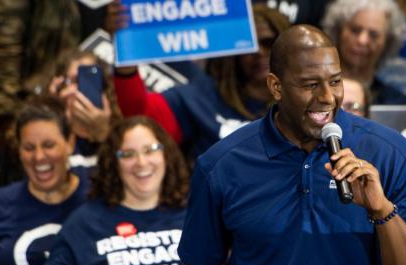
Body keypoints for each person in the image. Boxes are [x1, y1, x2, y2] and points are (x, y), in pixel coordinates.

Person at [178, 25, 406, 265]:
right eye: (310, 84)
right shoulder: (221, 166)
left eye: (335, 81)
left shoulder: (391, 153)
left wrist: (381, 209)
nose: (327, 97)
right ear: (276, 87)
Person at [37, 116, 189, 265]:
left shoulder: (193, 212)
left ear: (166, 155)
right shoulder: (87, 220)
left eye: (150, 150)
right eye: (128, 154)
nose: (141, 162)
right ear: (113, 162)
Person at [113, 4, 290, 158]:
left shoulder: (304, 102)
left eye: (269, 42)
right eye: (249, 44)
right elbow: (139, 115)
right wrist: (126, 48)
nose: (259, 52)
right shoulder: (201, 99)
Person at [0, 98, 89, 265]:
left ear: (70, 143)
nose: (38, 157)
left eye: (49, 145)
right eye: (29, 147)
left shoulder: (95, 196)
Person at [322, 0, 406, 104]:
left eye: (373, 35)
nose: (362, 41)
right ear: (338, 31)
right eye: (355, 30)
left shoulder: (395, 102)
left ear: (388, 42)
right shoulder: (315, 91)